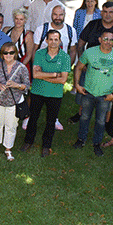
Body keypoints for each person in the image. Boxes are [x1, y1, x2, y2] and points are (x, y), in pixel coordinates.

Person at [74, 29, 113, 156]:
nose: (108, 42)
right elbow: (79, 67)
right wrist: (77, 84)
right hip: (88, 92)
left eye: (111, 40)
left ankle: (97, 144)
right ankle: (81, 139)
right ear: (99, 40)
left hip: (105, 95)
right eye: (105, 39)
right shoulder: (90, 52)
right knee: (84, 117)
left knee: (101, 121)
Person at [22, 28, 71, 156]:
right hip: (38, 92)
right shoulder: (39, 53)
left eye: (56, 39)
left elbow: (63, 80)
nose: (54, 42)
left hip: (55, 94)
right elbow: (35, 75)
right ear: (46, 40)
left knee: (51, 121)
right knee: (33, 118)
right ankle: (28, 141)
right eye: (51, 39)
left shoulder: (65, 57)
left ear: (60, 41)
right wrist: (55, 74)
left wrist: (43, 74)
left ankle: (46, 145)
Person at [0, 43, 30, 161]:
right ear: (2, 54)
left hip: (14, 101)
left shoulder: (22, 68)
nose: (8, 55)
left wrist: (17, 85)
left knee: (11, 126)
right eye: (6, 53)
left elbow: (27, 86)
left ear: (15, 53)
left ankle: (8, 149)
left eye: (11, 52)